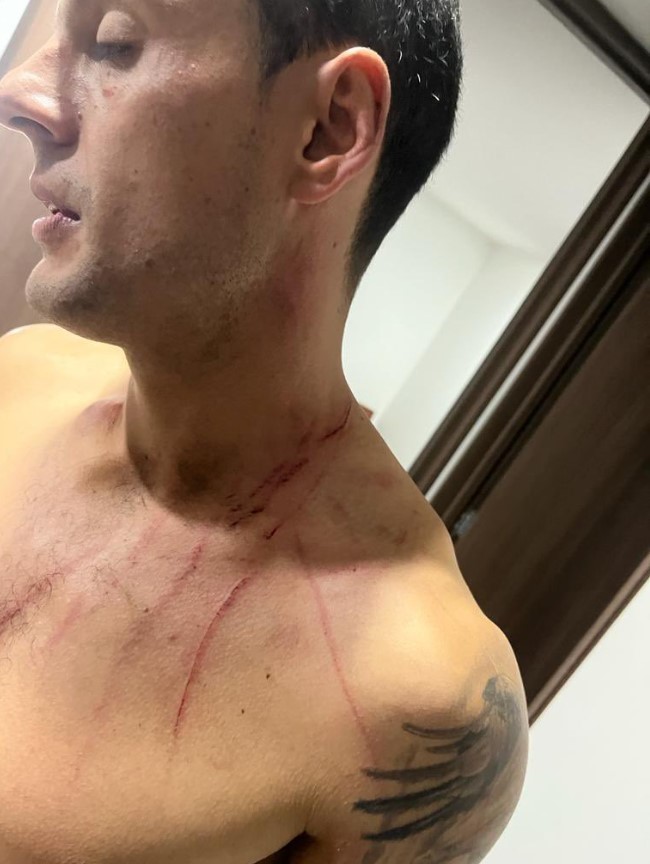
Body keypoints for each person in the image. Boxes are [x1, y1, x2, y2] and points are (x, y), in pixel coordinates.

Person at [0, 1, 529, 862]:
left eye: (116, 43)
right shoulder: (17, 377)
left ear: (327, 129)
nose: (20, 93)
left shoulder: (418, 704)